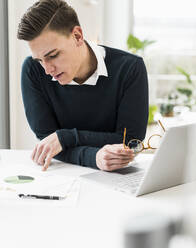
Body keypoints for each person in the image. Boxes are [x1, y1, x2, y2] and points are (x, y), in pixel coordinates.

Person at [17, 0, 149, 171]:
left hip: (117, 177)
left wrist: (65, 138)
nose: (47, 69)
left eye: (53, 55)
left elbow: (131, 140)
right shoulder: (33, 70)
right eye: (40, 60)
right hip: (61, 175)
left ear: (77, 36)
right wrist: (93, 157)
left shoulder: (130, 68)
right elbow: (47, 141)